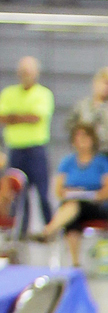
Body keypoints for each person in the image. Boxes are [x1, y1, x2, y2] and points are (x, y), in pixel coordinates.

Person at [40, 121, 108, 265]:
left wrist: (92, 195)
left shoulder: (103, 162)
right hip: (72, 201)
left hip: (95, 204)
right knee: (72, 218)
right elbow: (58, 190)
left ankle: (49, 230)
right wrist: (71, 192)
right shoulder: (67, 162)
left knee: (74, 206)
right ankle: (75, 263)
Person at [0, 56, 54, 234]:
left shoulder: (44, 94)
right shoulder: (8, 93)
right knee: (16, 195)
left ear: (36, 73)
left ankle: (49, 228)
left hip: (36, 150)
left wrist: (14, 117)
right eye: (23, 72)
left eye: (29, 72)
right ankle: (19, 232)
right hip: (15, 150)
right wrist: (24, 116)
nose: (25, 75)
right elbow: (3, 118)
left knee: (43, 193)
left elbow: (36, 117)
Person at [66, 67, 108, 168]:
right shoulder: (83, 105)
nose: (105, 87)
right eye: (103, 83)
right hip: (89, 151)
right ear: (95, 83)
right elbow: (70, 125)